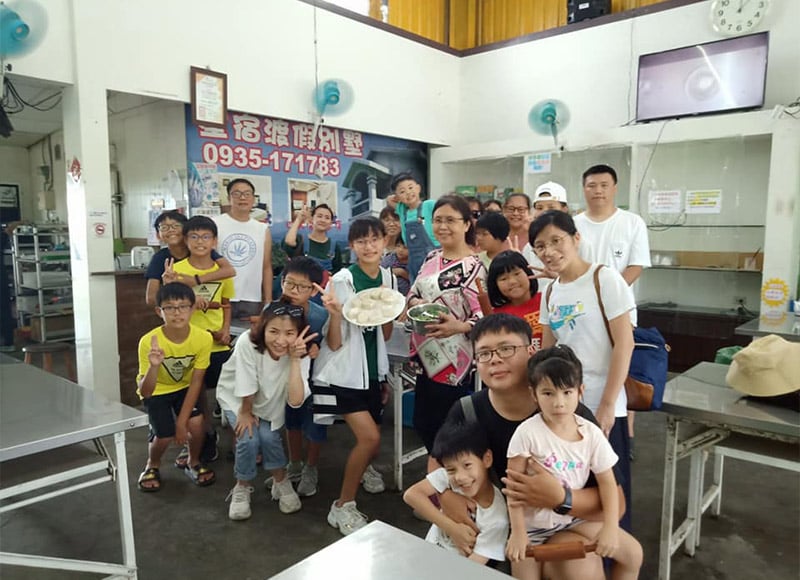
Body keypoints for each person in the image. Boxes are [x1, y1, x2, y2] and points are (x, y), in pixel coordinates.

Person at [442, 313, 623, 579]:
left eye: (506, 348)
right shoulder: (467, 411)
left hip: (559, 527)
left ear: (531, 352)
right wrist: (448, 499)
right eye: (484, 353)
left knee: (580, 565)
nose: (495, 359)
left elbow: (618, 503)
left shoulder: (570, 416)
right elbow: (437, 468)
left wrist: (561, 498)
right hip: (489, 532)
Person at [531, 211, 635, 532]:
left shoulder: (604, 279)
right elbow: (548, 354)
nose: (549, 251)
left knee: (611, 491)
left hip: (604, 404)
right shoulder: (551, 291)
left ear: (576, 238)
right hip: (566, 406)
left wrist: (607, 404)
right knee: (578, 486)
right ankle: (584, 550)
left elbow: (625, 343)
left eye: (556, 241)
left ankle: (615, 548)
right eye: (540, 246)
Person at [505, 345, 643, 579]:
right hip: (532, 527)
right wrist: (518, 532)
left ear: (580, 392)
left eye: (566, 392)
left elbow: (608, 483)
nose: (559, 402)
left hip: (574, 519)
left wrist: (610, 526)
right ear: (534, 395)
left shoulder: (591, 433)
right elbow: (513, 488)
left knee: (633, 553)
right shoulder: (526, 433)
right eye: (548, 393)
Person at [311, 216, 396, 535]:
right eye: (361, 241)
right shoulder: (342, 280)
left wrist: (388, 309)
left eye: (375, 239)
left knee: (371, 439)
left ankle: (364, 468)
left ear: (384, 242)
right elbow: (334, 343)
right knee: (370, 438)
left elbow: (385, 334)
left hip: (373, 371)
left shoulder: (387, 277)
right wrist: (335, 315)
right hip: (343, 373)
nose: (369, 246)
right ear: (352, 246)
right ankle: (342, 506)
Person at [573, 164, 651, 460]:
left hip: (619, 313)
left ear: (614, 188)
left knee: (618, 371)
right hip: (581, 313)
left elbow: (636, 265)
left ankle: (622, 433)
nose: (598, 191)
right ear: (584, 189)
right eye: (592, 185)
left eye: (604, 185)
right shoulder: (574, 225)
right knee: (583, 368)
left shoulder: (632, 222)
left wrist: (608, 295)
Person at [217, 301, 316, 520]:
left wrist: (295, 360)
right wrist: (245, 412)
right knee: (248, 438)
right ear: (263, 328)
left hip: (270, 402)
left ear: (299, 333)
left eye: (289, 333)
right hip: (238, 397)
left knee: (269, 437)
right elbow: (245, 380)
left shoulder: (302, 352)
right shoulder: (247, 341)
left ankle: (280, 481)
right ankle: (242, 486)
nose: (280, 340)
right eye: (273, 331)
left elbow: (296, 401)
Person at [406, 195, 486, 466]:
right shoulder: (432, 257)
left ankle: (449, 481)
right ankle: (441, 478)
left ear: (466, 224)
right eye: (437, 220)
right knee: (422, 423)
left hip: (454, 363)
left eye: (450, 220)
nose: (442, 226)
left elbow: (484, 318)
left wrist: (458, 326)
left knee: (446, 432)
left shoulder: (475, 268)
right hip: (425, 356)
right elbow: (413, 293)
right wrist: (415, 303)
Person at [136, 282, 215, 492]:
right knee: (165, 436)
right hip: (158, 389)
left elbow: (197, 381)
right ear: (159, 311)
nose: (177, 313)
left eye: (183, 306)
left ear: (193, 309)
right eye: (169, 307)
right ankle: (152, 464)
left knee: (196, 424)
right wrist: (154, 366)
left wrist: (182, 423)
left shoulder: (203, 338)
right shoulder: (148, 341)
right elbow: (145, 391)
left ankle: (193, 461)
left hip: (185, 387)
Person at [171, 216, 235, 465]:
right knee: (196, 396)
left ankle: (239, 442)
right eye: (194, 237)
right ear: (186, 241)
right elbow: (171, 307)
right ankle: (205, 438)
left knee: (229, 392)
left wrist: (226, 330)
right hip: (190, 345)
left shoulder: (221, 272)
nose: (200, 242)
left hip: (219, 344)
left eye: (206, 237)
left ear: (215, 241)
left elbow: (226, 304)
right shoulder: (177, 270)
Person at [403, 421, 509, 567]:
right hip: (425, 560)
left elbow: (472, 567)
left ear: (487, 459)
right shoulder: (447, 476)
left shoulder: (497, 517)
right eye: (451, 469)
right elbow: (411, 495)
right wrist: (451, 528)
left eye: (467, 465)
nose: (459, 477)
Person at [275, 257, 330, 497]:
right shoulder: (272, 311)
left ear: (314, 290)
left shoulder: (321, 316)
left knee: (316, 423)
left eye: (302, 286)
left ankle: (311, 467)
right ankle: (294, 464)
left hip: (317, 378)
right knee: (292, 420)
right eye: (289, 283)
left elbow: (332, 346)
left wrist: (318, 348)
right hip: (287, 376)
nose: (294, 291)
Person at [144, 210, 236, 306]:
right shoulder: (159, 258)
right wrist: (189, 300)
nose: (171, 230)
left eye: (176, 225)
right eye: (164, 227)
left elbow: (229, 270)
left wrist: (196, 280)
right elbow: (151, 298)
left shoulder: (200, 249)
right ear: (158, 235)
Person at [214, 178, 273, 320]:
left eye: (247, 194)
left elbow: (266, 267)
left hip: (251, 298)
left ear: (253, 198)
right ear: (228, 198)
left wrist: (268, 301)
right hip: (220, 295)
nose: (242, 198)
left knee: (248, 334)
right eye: (237, 193)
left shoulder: (262, 229)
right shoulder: (215, 224)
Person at [385, 172, 439, 283]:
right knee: (417, 287)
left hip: (435, 254)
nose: (408, 193)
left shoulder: (429, 205)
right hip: (414, 259)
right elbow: (389, 200)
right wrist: (397, 197)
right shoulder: (402, 210)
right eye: (402, 191)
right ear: (398, 197)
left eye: (411, 187)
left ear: (418, 188)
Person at [486, 250, 542, 351]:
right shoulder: (496, 317)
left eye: (517, 274)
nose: (512, 282)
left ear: (528, 272)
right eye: (503, 279)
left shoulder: (547, 300)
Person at [283, 203, 344, 282]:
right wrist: (299, 219)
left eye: (327, 218)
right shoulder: (301, 240)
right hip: (300, 286)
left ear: (331, 223)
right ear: (312, 219)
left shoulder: (334, 246)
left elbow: (338, 272)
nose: (322, 220)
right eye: (319, 216)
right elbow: (289, 242)